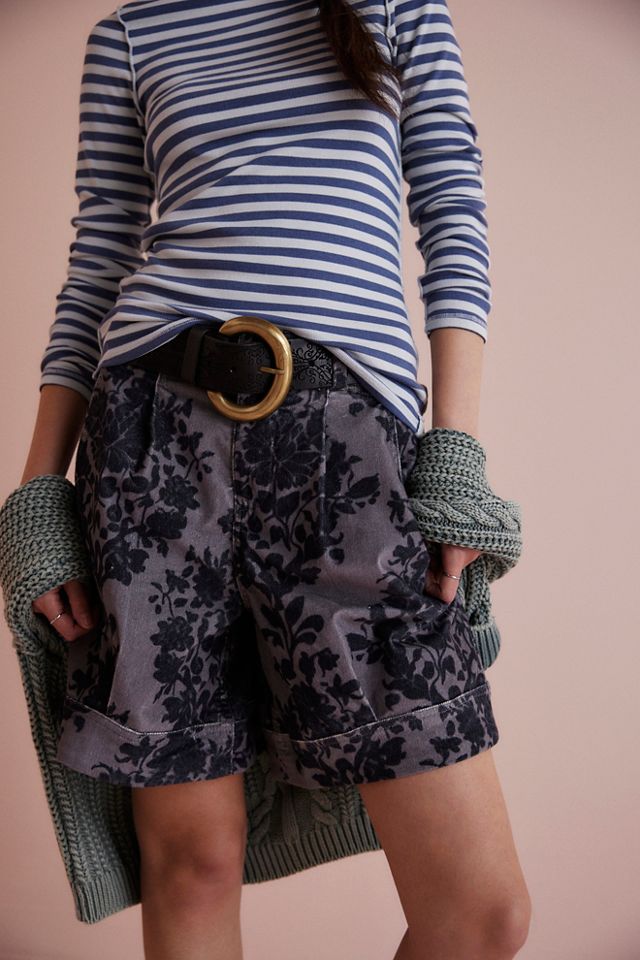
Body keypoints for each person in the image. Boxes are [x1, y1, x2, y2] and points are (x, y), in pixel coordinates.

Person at [19, 0, 531, 957]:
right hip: (150, 449)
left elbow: (454, 216)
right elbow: (96, 266)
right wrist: (38, 496)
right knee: (194, 866)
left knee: (482, 912)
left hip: (347, 452)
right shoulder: (131, 33)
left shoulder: (397, 9)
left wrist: (455, 449)